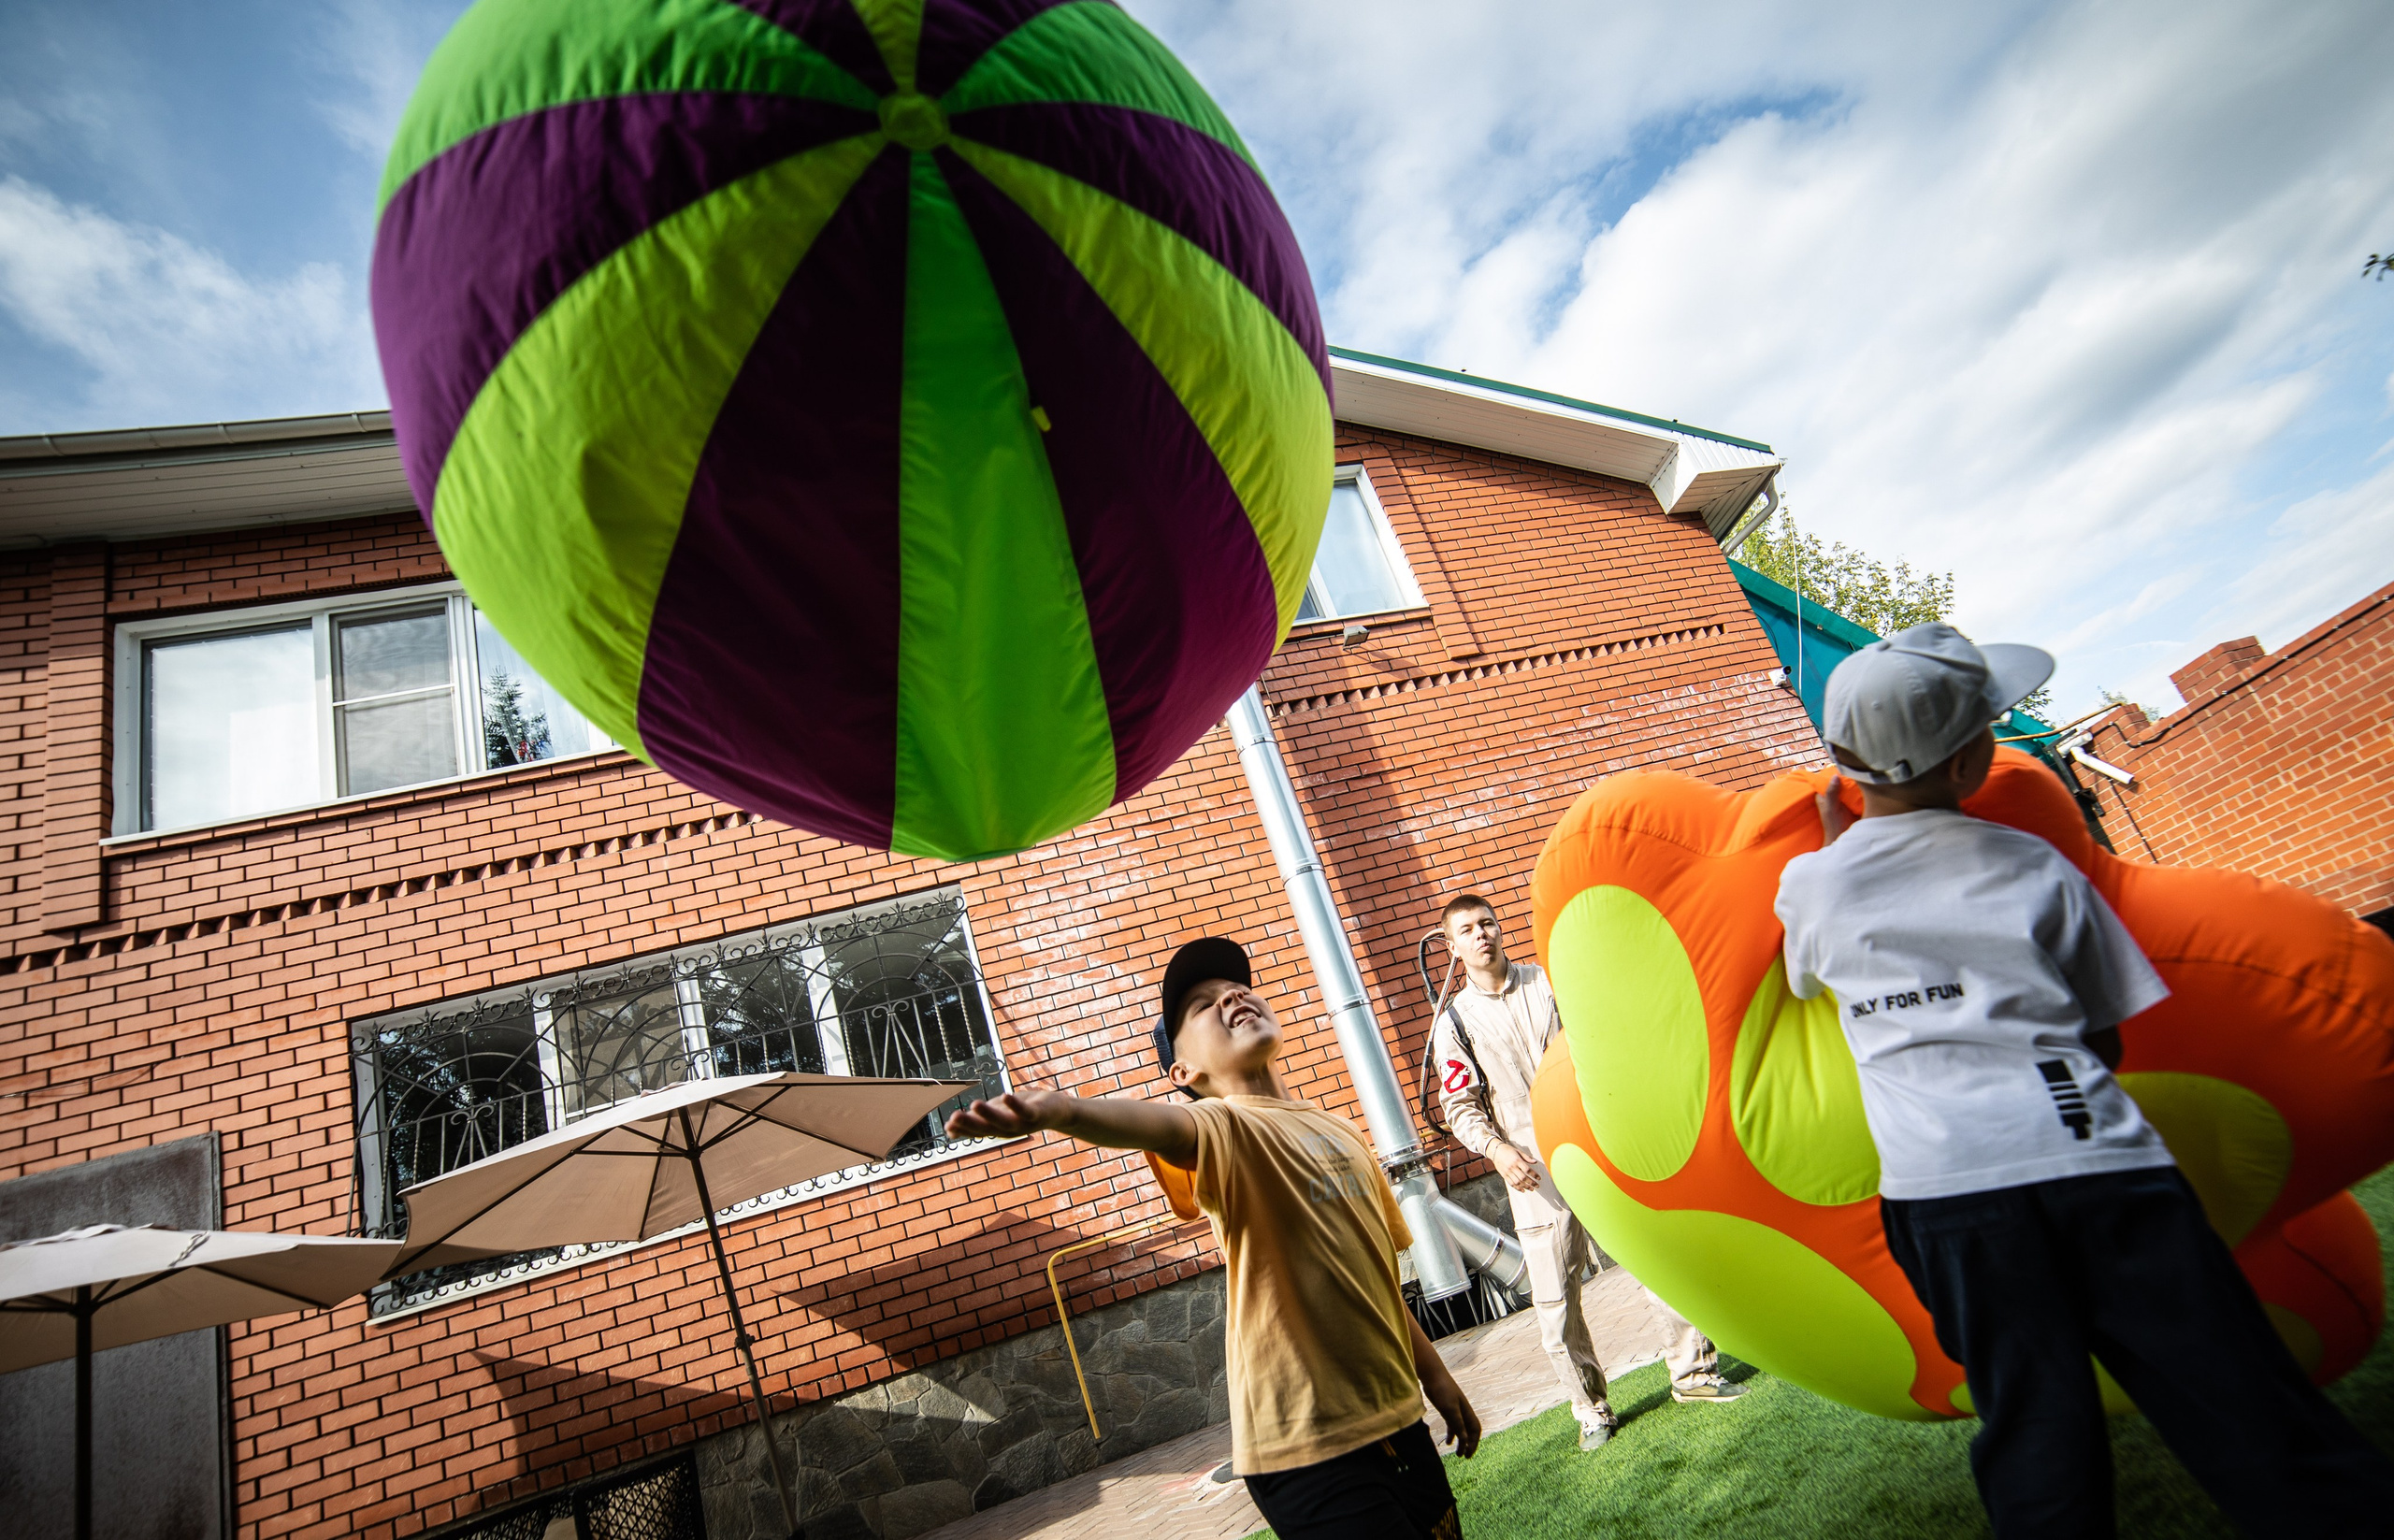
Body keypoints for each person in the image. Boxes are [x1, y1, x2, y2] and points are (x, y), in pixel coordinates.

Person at [1774, 622, 2394, 1538]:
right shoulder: (2032, 865)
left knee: (2036, 1442)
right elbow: (2102, 1034)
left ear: (1840, 759)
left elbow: (1802, 977)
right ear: (1970, 761)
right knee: (2247, 1410)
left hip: (1945, 1201)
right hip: (2097, 1170)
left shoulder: (1808, 886)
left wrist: (1833, 858)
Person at [945, 936, 1480, 1540]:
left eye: (1236, 986)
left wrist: (1435, 1376)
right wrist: (1066, 1111)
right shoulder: (1223, 1127)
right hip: (1306, 1448)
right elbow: (1159, 1124)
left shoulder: (1340, 1129)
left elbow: (1376, 1281)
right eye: (1202, 1004)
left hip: (1397, 1419)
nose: (1230, 994)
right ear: (1183, 1072)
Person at [1428, 895, 1746, 1453]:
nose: (1482, 935)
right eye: (1468, 931)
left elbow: (1606, 1042)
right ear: (1452, 948)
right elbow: (1461, 1106)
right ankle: (1591, 1409)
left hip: (1597, 1150)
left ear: (1500, 929)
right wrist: (1497, 1151)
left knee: (1658, 1263)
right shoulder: (1455, 1022)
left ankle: (1694, 1375)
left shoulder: (1550, 981)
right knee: (1555, 1304)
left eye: (1488, 923)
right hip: (1532, 1173)